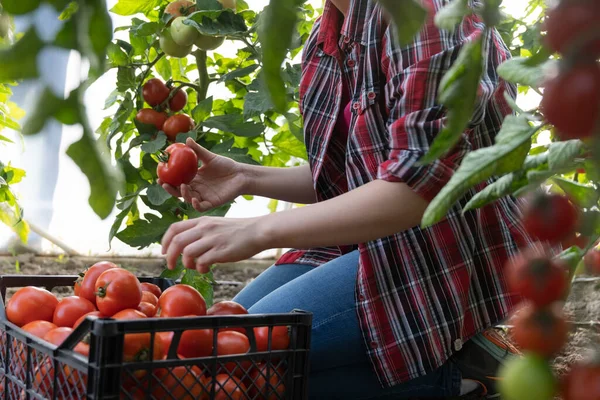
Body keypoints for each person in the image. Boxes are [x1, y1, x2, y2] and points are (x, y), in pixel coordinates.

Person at [160, 0, 532, 398]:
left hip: (444, 252)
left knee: (244, 362)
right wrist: (246, 176)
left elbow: (416, 190)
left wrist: (259, 229)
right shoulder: (327, 39)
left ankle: (457, 383)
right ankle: (440, 364)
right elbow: (351, 177)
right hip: (369, 242)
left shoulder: (422, 17)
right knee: (211, 349)